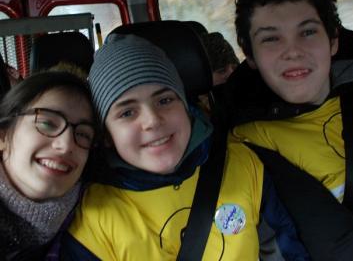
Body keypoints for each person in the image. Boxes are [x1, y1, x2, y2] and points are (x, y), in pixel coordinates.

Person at [61, 33, 309, 260]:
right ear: (105, 135)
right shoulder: (94, 217)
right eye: (127, 112)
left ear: (186, 107)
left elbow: (283, 251)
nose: (152, 120)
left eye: (165, 100)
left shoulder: (241, 163)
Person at [226, 0, 353, 259]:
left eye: (307, 32)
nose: (292, 51)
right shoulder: (251, 140)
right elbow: (333, 243)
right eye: (270, 38)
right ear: (249, 55)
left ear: (332, 40)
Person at [0, 70, 97, 260]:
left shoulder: (95, 214)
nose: (66, 145)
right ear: (3, 136)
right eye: (47, 123)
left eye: (83, 134)